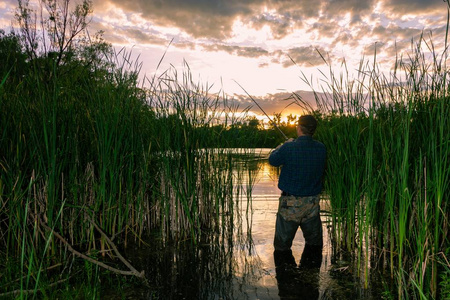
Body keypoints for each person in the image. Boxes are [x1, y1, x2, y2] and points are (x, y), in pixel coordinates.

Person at [268, 114, 326, 254]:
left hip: (290, 205)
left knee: (282, 248)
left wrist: (281, 146)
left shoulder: (288, 147)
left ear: (299, 128)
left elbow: (273, 160)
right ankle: (311, 274)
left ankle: (285, 273)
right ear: (313, 130)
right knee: (314, 246)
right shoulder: (321, 148)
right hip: (312, 204)